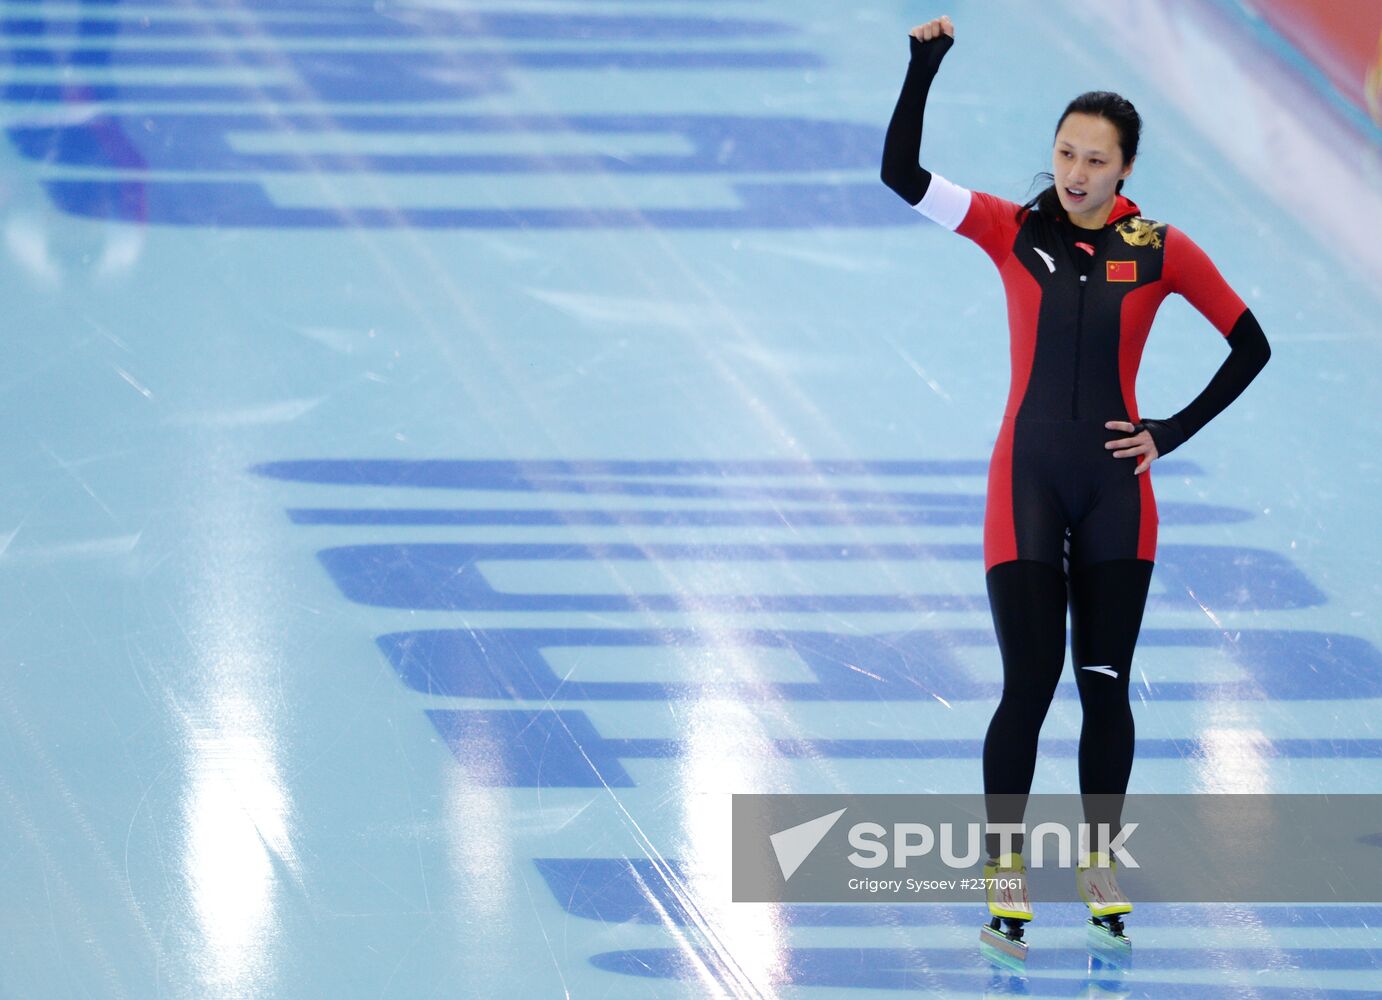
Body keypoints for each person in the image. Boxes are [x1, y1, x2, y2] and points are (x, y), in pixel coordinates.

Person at [880, 14, 1271, 960]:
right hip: (1026, 482)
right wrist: (922, 70)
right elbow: (900, 176)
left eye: (1096, 159)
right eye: (1064, 152)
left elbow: (1251, 344)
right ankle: (1004, 878)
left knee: (1105, 688)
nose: (1076, 171)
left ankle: (1101, 870)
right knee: (1029, 683)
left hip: (1115, 496)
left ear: (1125, 171)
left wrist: (1169, 431)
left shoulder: (1162, 247)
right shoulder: (1011, 229)